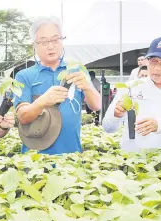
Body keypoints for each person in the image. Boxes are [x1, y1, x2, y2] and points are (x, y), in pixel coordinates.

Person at [13, 16, 101, 155]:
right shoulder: (24, 76)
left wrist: (87, 87)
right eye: (43, 41)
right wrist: (42, 101)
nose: (50, 46)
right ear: (34, 45)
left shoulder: (77, 69)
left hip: (71, 154)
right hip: (35, 157)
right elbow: (23, 117)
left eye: (55, 39)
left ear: (62, 41)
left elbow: (97, 106)